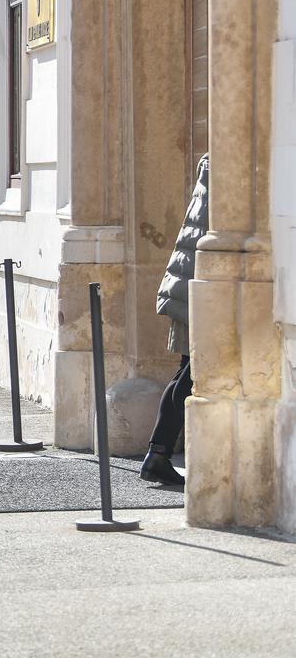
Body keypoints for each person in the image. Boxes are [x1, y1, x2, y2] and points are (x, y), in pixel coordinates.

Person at [141, 154, 209, 487]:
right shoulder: (221, 171)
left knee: (187, 370)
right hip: (195, 288)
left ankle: (158, 454)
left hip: (188, 284)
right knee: (190, 373)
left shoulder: (209, 170)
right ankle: (157, 454)